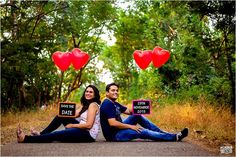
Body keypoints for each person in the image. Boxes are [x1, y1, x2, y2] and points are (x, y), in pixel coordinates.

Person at [100, 83, 188, 142]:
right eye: (113, 90)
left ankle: (163, 134)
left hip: (118, 130)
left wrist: (140, 104)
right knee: (142, 131)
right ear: (107, 93)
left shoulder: (114, 103)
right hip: (114, 136)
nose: (115, 92)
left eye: (117, 90)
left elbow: (129, 111)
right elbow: (113, 123)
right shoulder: (107, 104)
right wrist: (132, 127)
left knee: (137, 116)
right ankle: (174, 137)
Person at [17, 85, 101, 143]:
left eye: (91, 92)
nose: (88, 93)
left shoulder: (93, 105)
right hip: (82, 129)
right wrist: (66, 107)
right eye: (87, 91)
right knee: (60, 116)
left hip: (88, 134)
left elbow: (89, 125)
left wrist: (72, 125)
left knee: (57, 134)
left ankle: (25, 139)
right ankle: (41, 134)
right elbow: (74, 114)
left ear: (95, 95)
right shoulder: (86, 104)